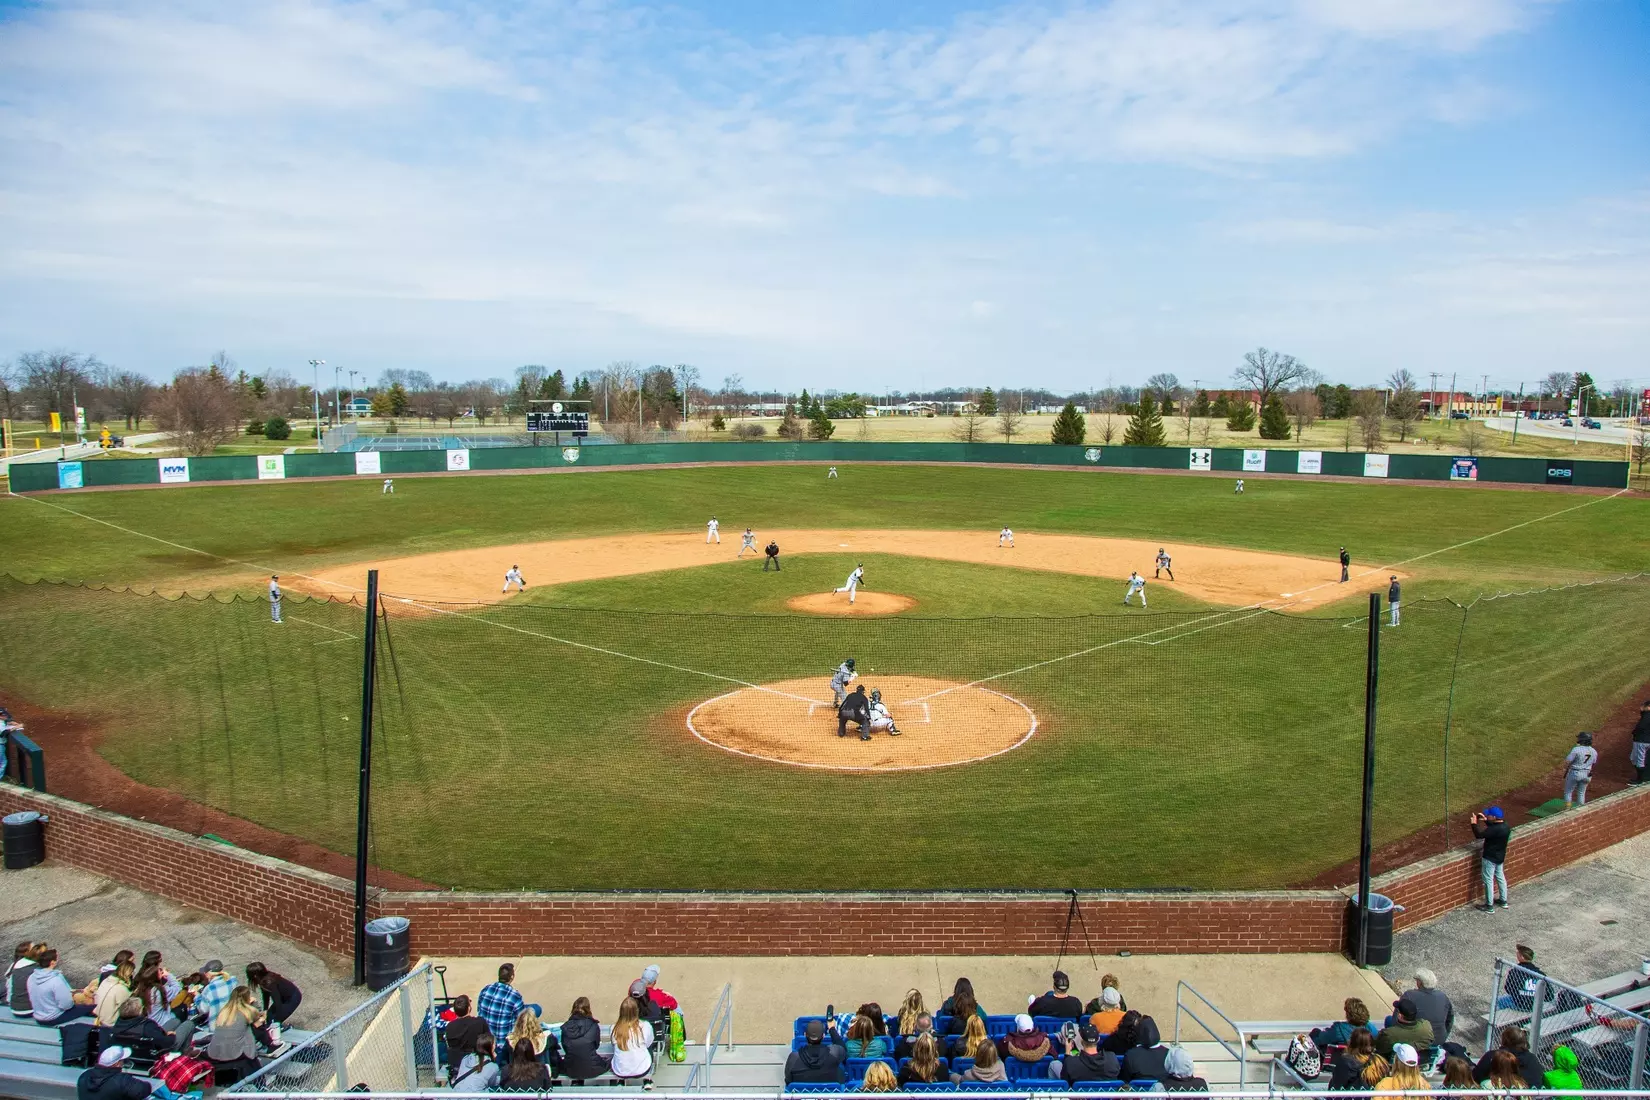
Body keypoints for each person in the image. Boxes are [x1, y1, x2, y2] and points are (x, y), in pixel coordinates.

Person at [77, 1045, 198, 1100]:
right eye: (122, 1061)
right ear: (117, 1064)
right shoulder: (121, 1081)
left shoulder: (84, 1076)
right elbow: (145, 1089)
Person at [203, 986, 263, 1084]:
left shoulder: (224, 1012)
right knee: (249, 1032)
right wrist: (255, 1004)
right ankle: (260, 1083)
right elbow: (259, 1026)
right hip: (236, 1055)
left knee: (246, 1030)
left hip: (216, 1053)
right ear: (247, 998)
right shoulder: (248, 1012)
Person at [28, 948, 96, 1024]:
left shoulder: (31, 977)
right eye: (57, 959)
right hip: (53, 1018)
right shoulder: (55, 980)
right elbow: (66, 1005)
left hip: (38, 1016)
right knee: (92, 1008)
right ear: (52, 962)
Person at [1472, 1025, 1543, 1088]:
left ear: (1504, 1040)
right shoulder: (1532, 1058)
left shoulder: (1494, 1056)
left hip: (1500, 1095)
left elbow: (1475, 1077)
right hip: (1531, 1095)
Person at [559, 997, 610, 1083]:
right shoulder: (593, 1025)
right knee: (609, 1062)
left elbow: (565, 1047)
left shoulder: (566, 1027)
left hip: (571, 1068)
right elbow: (596, 1045)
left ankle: (577, 1082)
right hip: (592, 1067)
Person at [608, 994, 654, 1087]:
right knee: (648, 1048)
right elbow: (649, 1043)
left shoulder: (614, 1028)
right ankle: (647, 1080)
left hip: (621, 1070)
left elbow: (613, 1044)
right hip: (642, 1069)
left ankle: (621, 1081)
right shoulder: (645, 1026)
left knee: (619, 1048)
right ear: (636, 1011)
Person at [1405, 970, 1454, 1057]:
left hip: (1414, 1042)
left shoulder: (1409, 995)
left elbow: (1396, 1019)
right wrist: (1443, 1034)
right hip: (1438, 1041)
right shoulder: (1443, 996)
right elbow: (1450, 1020)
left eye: (1417, 980)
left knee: (1389, 1020)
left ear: (1420, 983)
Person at [1471, 806, 1511, 911]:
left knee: (1488, 880)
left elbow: (1479, 835)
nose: (1487, 815)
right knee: (1500, 877)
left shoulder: (1494, 829)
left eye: (1489, 815)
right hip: (1500, 857)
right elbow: (1494, 830)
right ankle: (1503, 901)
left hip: (1490, 858)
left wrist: (1474, 823)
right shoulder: (1506, 826)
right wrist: (1486, 821)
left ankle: (1489, 906)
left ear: (1494, 817)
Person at [110, 996, 176, 1061]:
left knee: (175, 1021)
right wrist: (172, 1036)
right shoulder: (146, 1026)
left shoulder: (117, 1026)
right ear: (140, 1011)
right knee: (182, 1027)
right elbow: (166, 1043)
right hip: (152, 1057)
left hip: (132, 1055)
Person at [784, 1019, 845, 1086]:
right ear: (823, 1036)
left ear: (805, 1035)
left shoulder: (794, 1057)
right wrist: (832, 1029)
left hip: (802, 1092)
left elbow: (788, 1081)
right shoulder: (835, 1052)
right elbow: (843, 1049)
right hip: (829, 1092)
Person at [1053, 1023, 1118, 1083]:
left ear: (1081, 1041)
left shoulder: (1071, 1062)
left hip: (1079, 1092)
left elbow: (1065, 1079)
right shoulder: (1112, 1058)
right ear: (1098, 1039)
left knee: (1053, 1065)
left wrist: (1067, 1053)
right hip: (1106, 1092)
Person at [477, 963, 526, 1042]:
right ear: (512, 977)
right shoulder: (514, 996)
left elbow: (479, 1010)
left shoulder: (486, 989)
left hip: (485, 1041)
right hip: (503, 1043)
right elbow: (522, 1020)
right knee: (536, 1009)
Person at [444, 996, 490, 1077]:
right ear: (469, 1008)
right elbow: (488, 1041)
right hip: (475, 1064)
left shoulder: (450, 1026)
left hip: (456, 1066)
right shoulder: (479, 1022)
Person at [244, 963, 302, 1027]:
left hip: (293, 997)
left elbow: (278, 1002)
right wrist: (265, 1010)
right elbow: (265, 994)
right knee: (269, 1017)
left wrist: (277, 1019)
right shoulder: (262, 978)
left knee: (274, 1021)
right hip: (283, 997)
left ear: (255, 976)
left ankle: (280, 1028)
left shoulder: (269, 982)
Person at [190, 961, 237, 1034]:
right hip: (234, 1021)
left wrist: (197, 995)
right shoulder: (233, 980)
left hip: (217, 1027)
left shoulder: (209, 988)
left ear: (208, 974)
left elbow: (203, 1009)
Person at [1120, 1015, 1169, 1083]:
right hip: (1163, 1089)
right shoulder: (1169, 1054)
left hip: (1138, 1089)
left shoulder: (1131, 1055)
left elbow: (1124, 1080)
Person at [1500, 945, 1547, 1011]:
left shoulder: (1514, 971)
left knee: (1498, 1001)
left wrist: (1521, 993)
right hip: (1535, 1005)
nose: (1517, 956)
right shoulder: (1540, 974)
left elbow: (1508, 989)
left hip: (1518, 1004)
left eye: (1518, 954)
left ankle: (1494, 1017)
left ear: (1522, 957)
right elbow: (1549, 996)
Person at [1564, 732, 1598, 808]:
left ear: (1582, 740)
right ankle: (1580, 809)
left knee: (1568, 792)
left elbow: (1568, 761)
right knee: (1581, 793)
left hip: (1576, 773)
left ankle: (1567, 809)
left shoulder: (1576, 749)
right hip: (1587, 774)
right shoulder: (1594, 751)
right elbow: (1594, 763)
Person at [7, 942, 40, 1017]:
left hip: (14, 1007)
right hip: (30, 1009)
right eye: (35, 948)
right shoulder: (34, 968)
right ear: (27, 953)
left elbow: (9, 988)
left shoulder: (14, 966)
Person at [1630, 699, 1650, 784]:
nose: (1641, 707)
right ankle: (1643, 777)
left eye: (1644, 706)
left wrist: (1634, 732)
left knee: (1639, 760)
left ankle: (1640, 780)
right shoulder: (1646, 715)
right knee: (1634, 758)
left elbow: (1640, 727)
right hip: (1645, 740)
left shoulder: (1647, 716)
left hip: (1641, 741)